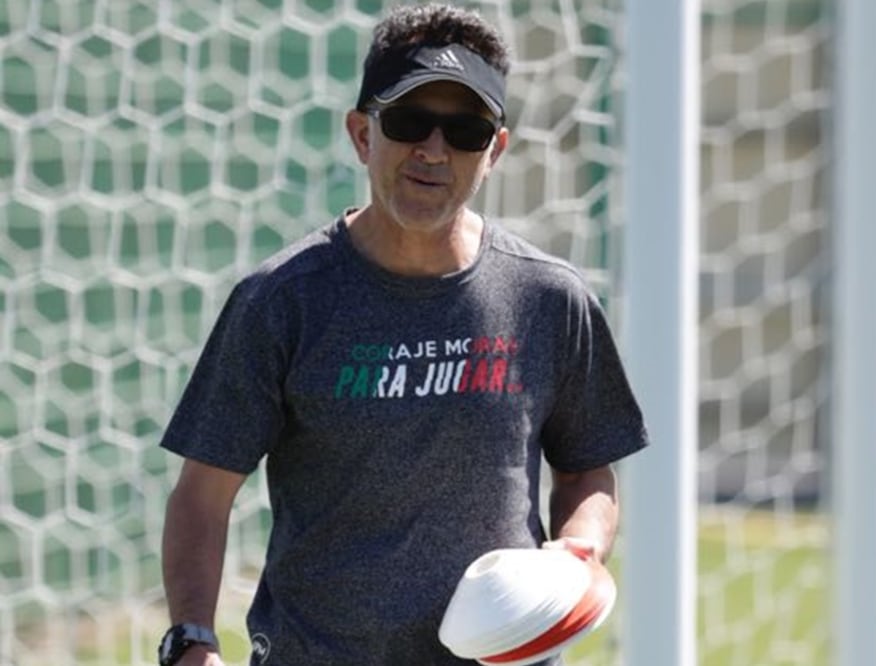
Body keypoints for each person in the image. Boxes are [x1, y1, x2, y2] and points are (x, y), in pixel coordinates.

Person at [157, 4, 648, 665]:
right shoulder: (281, 300)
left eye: (466, 130)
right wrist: (191, 639)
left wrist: (576, 552)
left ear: (495, 150)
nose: (434, 150)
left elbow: (587, 466)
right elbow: (203, 495)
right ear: (363, 134)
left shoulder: (549, 298)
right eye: (410, 121)